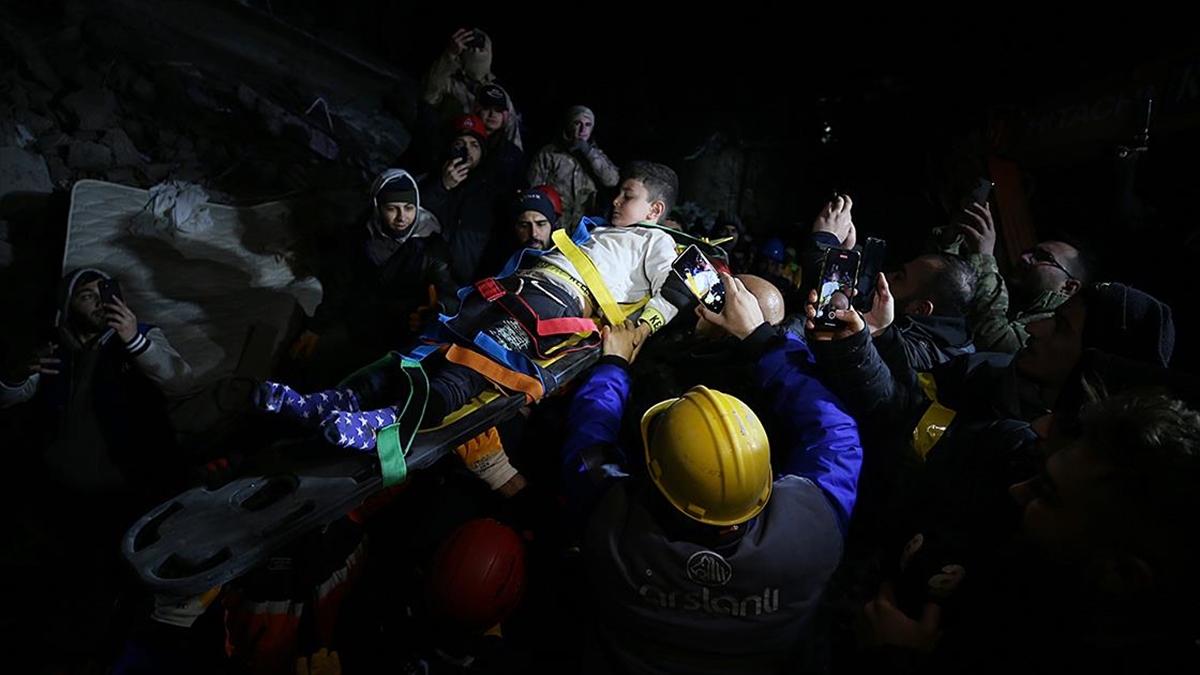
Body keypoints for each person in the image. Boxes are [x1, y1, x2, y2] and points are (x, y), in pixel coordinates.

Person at [256, 161, 683, 452]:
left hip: (555, 302)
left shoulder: (656, 239)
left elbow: (679, 285)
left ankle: (383, 424)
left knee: (474, 366)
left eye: (627, 195)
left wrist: (644, 327)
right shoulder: (608, 232)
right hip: (518, 287)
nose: (615, 200)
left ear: (655, 209)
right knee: (432, 345)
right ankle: (339, 400)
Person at [559, 272, 862, 673]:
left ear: (652, 469)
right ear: (767, 478)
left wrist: (614, 365)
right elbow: (835, 432)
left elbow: (588, 443)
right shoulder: (812, 531)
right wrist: (760, 339)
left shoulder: (610, 524)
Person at [1, 267, 193, 673]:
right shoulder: (53, 347)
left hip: (120, 487)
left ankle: (96, 654)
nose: (99, 301)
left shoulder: (139, 336)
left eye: (104, 292)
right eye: (86, 295)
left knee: (106, 584)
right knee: (49, 583)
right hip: (57, 488)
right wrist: (18, 374)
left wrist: (135, 340)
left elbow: (180, 381)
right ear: (67, 306)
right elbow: (9, 399)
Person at [289, 169, 459, 377]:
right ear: (378, 208)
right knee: (308, 361)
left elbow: (449, 290)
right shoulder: (360, 237)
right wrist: (316, 327)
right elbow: (340, 286)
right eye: (392, 208)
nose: (401, 217)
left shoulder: (430, 245)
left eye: (408, 208)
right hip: (358, 323)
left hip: (402, 333)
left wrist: (437, 310)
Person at [937, 199, 1091, 354]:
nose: (1024, 258)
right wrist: (949, 243)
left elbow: (995, 341)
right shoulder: (1008, 295)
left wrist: (983, 257)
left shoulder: (1054, 327)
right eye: (1029, 252)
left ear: (1068, 287)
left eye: (1043, 257)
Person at [420, 114, 510, 286]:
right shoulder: (432, 179)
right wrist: (443, 186)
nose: (467, 151)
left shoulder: (494, 190)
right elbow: (415, 214)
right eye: (460, 145)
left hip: (469, 283)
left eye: (474, 145)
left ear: (483, 151)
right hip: (427, 276)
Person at [527, 105, 619, 233]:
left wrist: (588, 152)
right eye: (577, 123)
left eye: (588, 125)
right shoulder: (549, 154)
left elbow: (612, 180)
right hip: (555, 226)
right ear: (569, 125)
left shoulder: (596, 155)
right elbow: (534, 192)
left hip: (585, 228)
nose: (582, 129)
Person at [473, 82, 525, 192]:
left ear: (505, 115)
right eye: (487, 107)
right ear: (477, 109)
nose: (492, 114)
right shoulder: (462, 141)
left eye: (498, 110)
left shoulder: (513, 154)